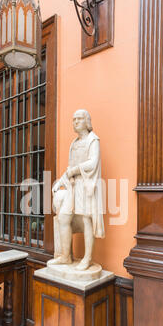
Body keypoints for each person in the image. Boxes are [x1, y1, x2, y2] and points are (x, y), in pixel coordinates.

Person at [50, 109, 105, 271]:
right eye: (73, 119)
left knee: (86, 220)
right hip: (73, 185)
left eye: (79, 119)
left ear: (87, 121)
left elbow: (93, 163)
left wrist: (74, 171)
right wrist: (60, 181)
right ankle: (66, 256)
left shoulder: (93, 140)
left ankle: (87, 258)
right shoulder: (74, 143)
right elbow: (70, 168)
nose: (75, 122)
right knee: (64, 217)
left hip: (86, 185)